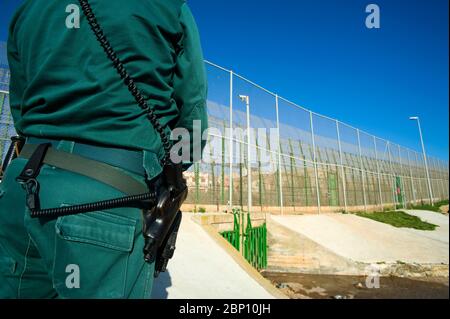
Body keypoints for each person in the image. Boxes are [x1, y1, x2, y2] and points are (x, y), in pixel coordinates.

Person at [0, 0, 208, 299]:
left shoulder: (28, 9)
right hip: (107, 194)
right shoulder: (170, 6)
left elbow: (21, 106)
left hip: (20, 186)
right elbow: (193, 112)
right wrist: (172, 172)